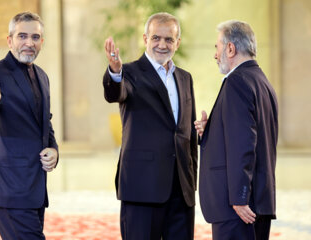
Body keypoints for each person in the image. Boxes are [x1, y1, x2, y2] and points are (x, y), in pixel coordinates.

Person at [103, 12, 198, 240]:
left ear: (178, 42)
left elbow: (188, 134)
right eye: (156, 38)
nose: (162, 44)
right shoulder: (130, 73)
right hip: (142, 188)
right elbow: (116, 92)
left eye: (169, 39)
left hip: (181, 190)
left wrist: (192, 180)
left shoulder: (185, 78)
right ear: (145, 39)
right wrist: (115, 72)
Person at [0, 12, 58, 239]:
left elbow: (44, 122)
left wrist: (54, 149)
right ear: (10, 40)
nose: (29, 43)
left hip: (35, 187)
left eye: (35, 37)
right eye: (22, 36)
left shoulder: (42, 76)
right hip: (9, 186)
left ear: (42, 42)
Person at [195, 20, 278, 240]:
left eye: (217, 47)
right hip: (258, 200)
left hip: (238, 207)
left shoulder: (236, 82)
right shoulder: (263, 82)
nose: (215, 55)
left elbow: (243, 144)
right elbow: (247, 134)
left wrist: (239, 198)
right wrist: (210, 130)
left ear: (230, 48)